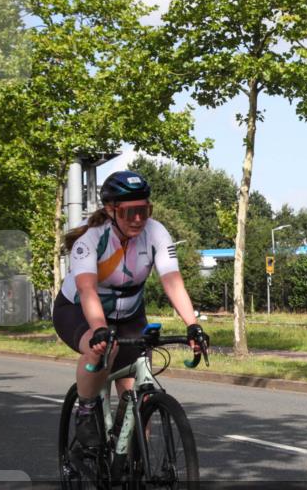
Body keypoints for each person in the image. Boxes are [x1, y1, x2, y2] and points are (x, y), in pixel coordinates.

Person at [53, 170, 207, 450]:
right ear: (111, 210)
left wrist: (192, 324)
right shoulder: (90, 240)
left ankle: (134, 475)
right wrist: (99, 329)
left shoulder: (156, 232)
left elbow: (172, 281)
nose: (138, 219)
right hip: (78, 309)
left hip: (129, 316)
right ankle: (86, 411)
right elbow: (87, 289)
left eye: (144, 210)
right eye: (129, 212)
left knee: (137, 402)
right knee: (103, 349)